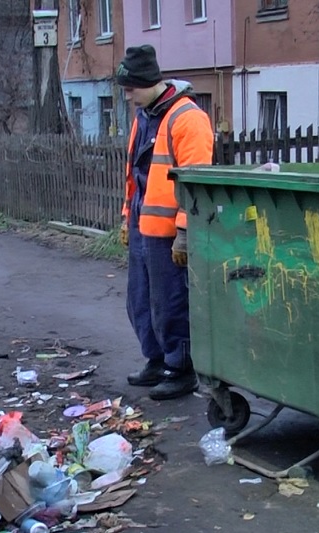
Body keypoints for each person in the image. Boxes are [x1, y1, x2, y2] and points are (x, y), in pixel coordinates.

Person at [115, 44, 215, 401]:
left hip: (170, 233)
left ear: (147, 82)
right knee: (141, 301)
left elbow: (196, 181)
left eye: (131, 89)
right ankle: (157, 360)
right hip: (145, 227)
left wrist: (185, 232)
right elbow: (135, 174)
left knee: (172, 302)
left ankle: (181, 368)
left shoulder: (187, 118)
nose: (128, 97)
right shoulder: (144, 116)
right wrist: (128, 217)